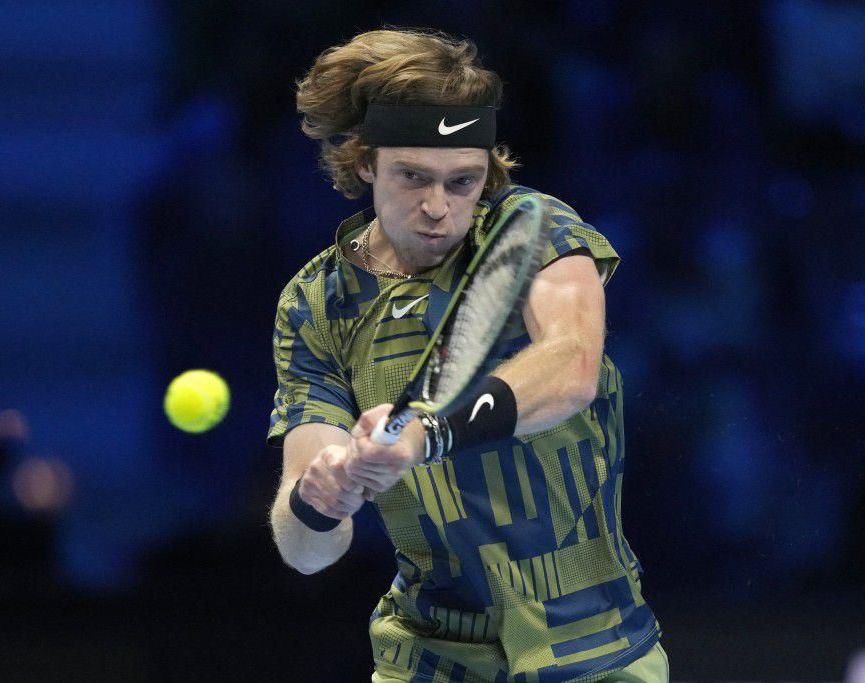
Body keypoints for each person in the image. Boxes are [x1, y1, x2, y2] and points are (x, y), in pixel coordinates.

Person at [267, 28, 668, 682]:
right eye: (412, 177)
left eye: (462, 181)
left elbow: (570, 369)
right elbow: (306, 550)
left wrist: (424, 434)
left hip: (591, 644)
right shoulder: (316, 302)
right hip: (427, 651)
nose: (436, 207)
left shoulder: (538, 229)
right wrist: (319, 496)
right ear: (366, 162)